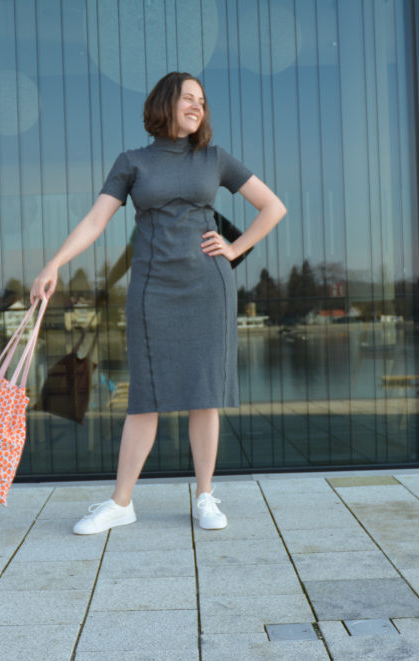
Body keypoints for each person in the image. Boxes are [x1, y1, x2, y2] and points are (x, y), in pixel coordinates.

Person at [31, 72, 286, 535]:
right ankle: (121, 503)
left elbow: (273, 207)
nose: (197, 107)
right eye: (188, 98)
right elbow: (94, 222)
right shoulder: (132, 163)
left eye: (202, 102)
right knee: (144, 398)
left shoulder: (214, 159)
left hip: (208, 288)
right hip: (152, 291)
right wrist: (53, 265)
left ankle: (205, 496)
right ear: (165, 103)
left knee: (203, 396)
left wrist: (234, 248)